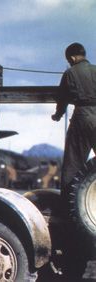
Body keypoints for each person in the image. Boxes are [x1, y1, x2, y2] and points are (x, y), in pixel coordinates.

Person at [51, 42, 96, 191]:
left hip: (82, 117)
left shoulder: (70, 73)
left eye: (69, 61)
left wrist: (58, 115)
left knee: (73, 164)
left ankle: (66, 209)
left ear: (72, 57)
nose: (69, 63)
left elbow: (62, 98)